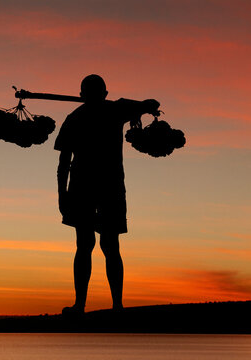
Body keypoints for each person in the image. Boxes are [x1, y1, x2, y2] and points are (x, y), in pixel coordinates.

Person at [54, 74, 160, 315]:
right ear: (103, 93)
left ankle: (111, 306)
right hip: (89, 187)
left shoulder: (108, 112)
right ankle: (91, 305)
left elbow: (151, 103)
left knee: (103, 245)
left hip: (103, 187)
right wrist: (62, 195)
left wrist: (142, 106)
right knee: (92, 245)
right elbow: (64, 161)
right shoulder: (92, 115)